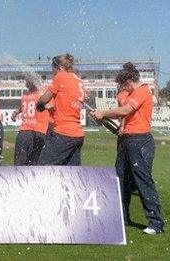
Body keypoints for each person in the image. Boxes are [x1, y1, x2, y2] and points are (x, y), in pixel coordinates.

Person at [90, 62, 164, 235]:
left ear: (130, 81)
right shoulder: (131, 92)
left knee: (142, 180)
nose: (122, 88)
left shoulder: (143, 91)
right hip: (126, 139)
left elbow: (126, 110)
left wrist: (104, 113)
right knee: (121, 179)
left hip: (139, 140)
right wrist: (107, 120)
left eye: (123, 85)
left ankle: (156, 223)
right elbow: (125, 116)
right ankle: (123, 218)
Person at [36, 54, 86, 166]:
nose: (53, 73)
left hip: (63, 133)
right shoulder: (78, 81)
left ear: (59, 68)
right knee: (71, 174)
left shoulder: (60, 76)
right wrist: (50, 108)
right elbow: (68, 106)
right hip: (77, 134)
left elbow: (45, 98)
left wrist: (39, 104)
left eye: (53, 70)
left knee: (42, 168)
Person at [12, 73, 50, 165]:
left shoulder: (25, 96)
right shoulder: (43, 94)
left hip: (23, 133)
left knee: (19, 164)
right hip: (39, 132)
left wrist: (17, 111)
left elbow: (27, 105)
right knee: (35, 165)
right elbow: (50, 106)